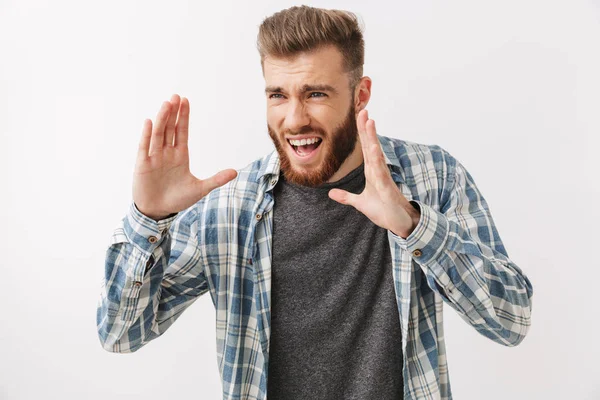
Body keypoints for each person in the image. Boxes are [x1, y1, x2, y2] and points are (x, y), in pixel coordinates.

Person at [96, 5, 534, 400]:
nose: (295, 119)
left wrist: (413, 226)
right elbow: (120, 334)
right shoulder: (228, 211)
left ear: (360, 95)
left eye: (316, 94)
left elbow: (510, 320)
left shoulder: (433, 177)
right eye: (278, 95)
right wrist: (149, 220)